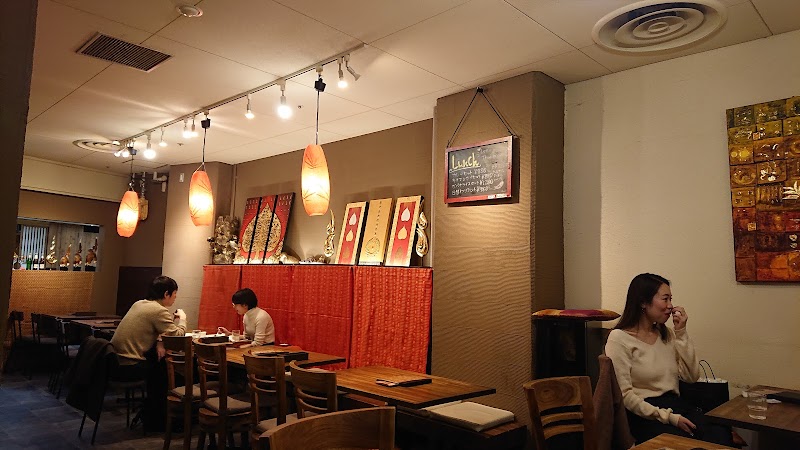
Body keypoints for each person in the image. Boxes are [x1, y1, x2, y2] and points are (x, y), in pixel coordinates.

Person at [605, 273, 734, 446]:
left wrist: (681, 333)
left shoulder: (666, 334)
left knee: (720, 432)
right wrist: (669, 418)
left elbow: (691, 377)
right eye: (665, 299)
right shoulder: (619, 338)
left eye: (670, 299)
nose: (670, 306)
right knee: (687, 443)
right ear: (643, 302)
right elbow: (625, 395)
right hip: (644, 414)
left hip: (675, 405)